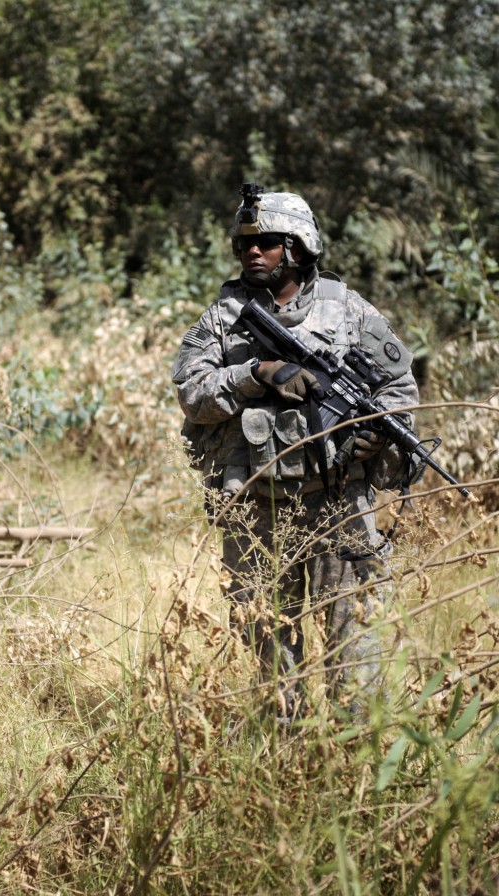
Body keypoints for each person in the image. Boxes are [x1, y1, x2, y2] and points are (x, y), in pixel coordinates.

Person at [171, 184, 420, 721]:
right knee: (271, 661)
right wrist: (254, 374)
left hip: (338, 506)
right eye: (243, 246)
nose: (251, 253)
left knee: (356, 660)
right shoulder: (224, 316)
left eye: (266, 243)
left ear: (299, 247)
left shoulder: (347, 310)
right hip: (256, 505)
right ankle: (283, 774)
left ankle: (352, 774)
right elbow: (191, 391)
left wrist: (378, 435)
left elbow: (398, 390)